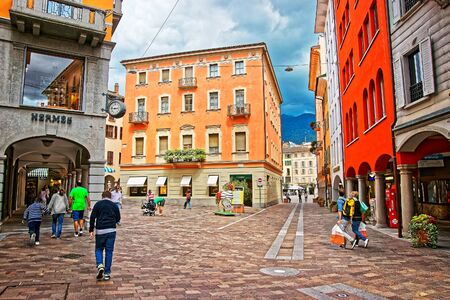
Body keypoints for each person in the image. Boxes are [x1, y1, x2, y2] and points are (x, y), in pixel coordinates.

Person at [89, 190, 121, 281]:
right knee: (109, 251)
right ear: (110, 197)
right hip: (111, 230)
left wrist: (91, 230)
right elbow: (118, 218)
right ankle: (107, 273)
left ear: (102, 196)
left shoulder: (98, 204)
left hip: (100, 231)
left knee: (98, 249)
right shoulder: (114, 205)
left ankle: (100, 265)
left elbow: (92, 217)